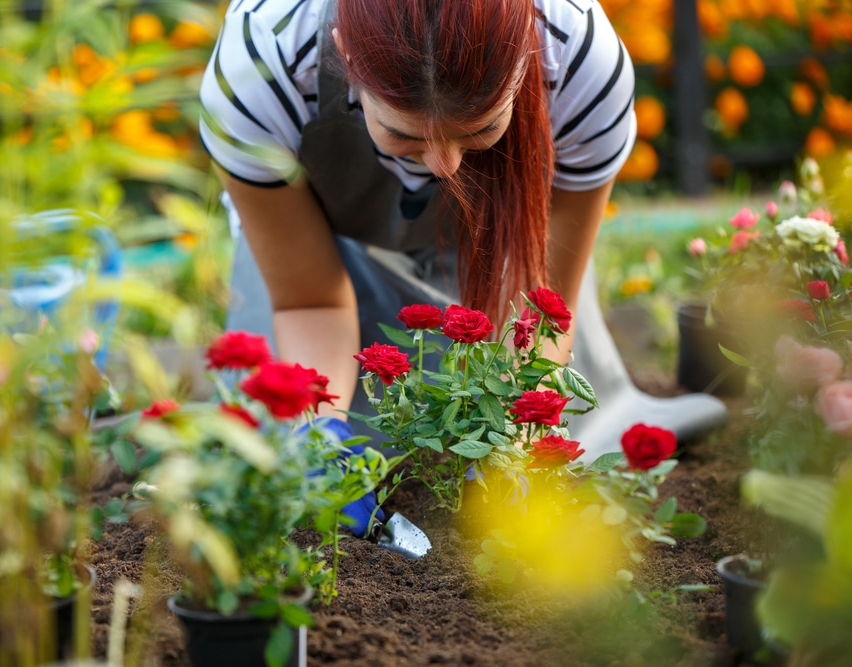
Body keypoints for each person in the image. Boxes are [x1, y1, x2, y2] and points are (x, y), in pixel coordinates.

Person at [198, 0, 727, 532]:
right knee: (285, 463)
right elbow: (309, 301)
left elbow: (543, 302)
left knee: (532, 451)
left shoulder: (579, 58)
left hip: (505, 254)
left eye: (479, 129)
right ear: (345, 54)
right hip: (320, 255)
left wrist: (509, 441)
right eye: (403, 134)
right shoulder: (259, 69)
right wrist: (320, 436)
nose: (444, 166)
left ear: (526, 59)